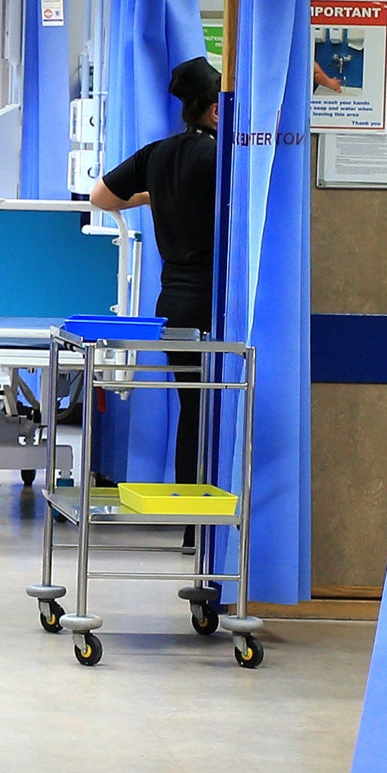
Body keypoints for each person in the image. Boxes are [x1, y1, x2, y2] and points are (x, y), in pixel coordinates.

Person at [89, 56, 223, 486]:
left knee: (192, 408)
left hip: (173, 304)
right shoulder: (224, 158)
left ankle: (190, 521)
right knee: (218, 409)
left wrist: (152, 198)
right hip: (213, 301)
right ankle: (208, 521)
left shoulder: (158, 153)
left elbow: (101, 198)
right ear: (217, 109)